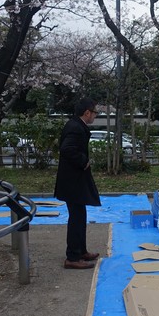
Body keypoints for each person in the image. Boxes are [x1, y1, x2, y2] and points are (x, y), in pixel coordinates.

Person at [55, 97, 102, 270]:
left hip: (73, 181)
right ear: (87, 112)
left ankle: (81, 250)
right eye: (94, 112)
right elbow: (67, 149)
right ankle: (72, 257)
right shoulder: (75, 128)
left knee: (80, 216)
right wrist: (83, 161)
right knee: (76, 218)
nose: (95, 116)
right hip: (72, 181)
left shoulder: (76, 125)